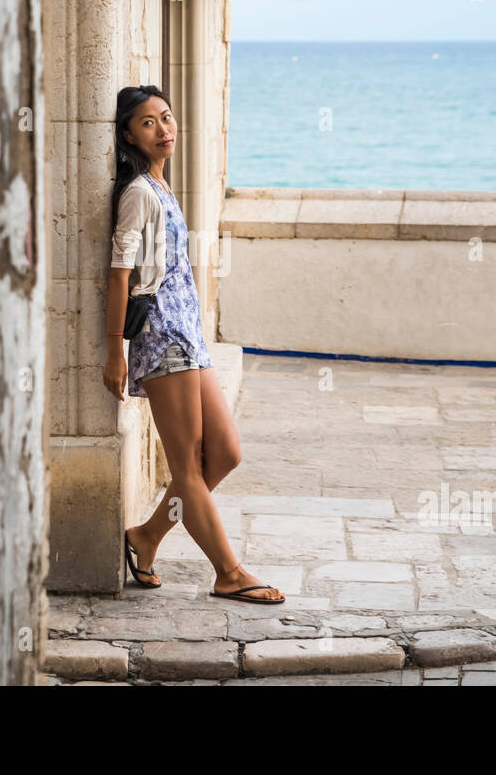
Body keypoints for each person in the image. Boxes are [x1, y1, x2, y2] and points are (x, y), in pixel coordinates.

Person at [103, 84, 285, 604]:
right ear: (127, 135)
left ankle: (146, 536)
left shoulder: (162, 187)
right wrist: (115, 349)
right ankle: (228, 571)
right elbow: (118, 273)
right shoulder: (138, 192)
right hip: (161, 336)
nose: (163, 129)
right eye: (147, 123)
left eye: (165, 117)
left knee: (224, 454)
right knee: (187, 467)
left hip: (189, 335)